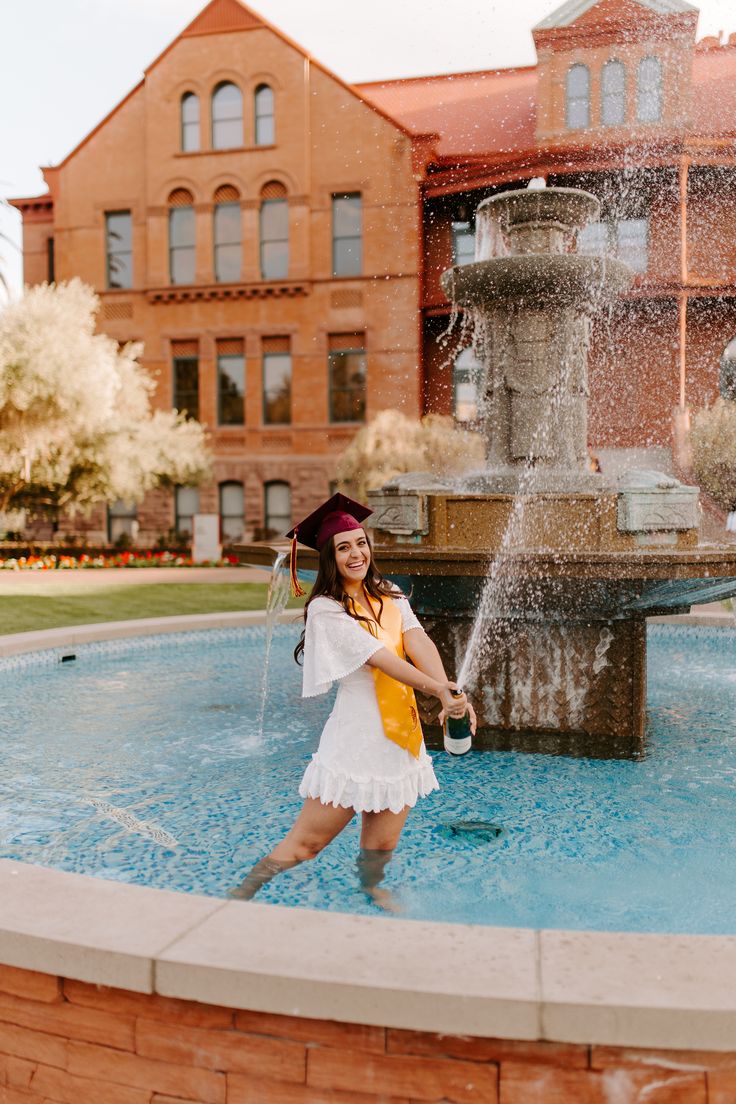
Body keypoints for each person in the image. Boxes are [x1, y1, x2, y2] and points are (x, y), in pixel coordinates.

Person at [231, 492, 476, 909]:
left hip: (401, 738)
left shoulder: (390, 593)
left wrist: (449, 691)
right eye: (343, 548)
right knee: (306, 845)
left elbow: (415, 639)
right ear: (330, 557)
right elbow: (380, 658)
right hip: (356, 741)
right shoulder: (327, 610)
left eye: (360, 542)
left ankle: (371, 886)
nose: (355, 553)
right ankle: (243, 892)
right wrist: (435, 691)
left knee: (381, 842)